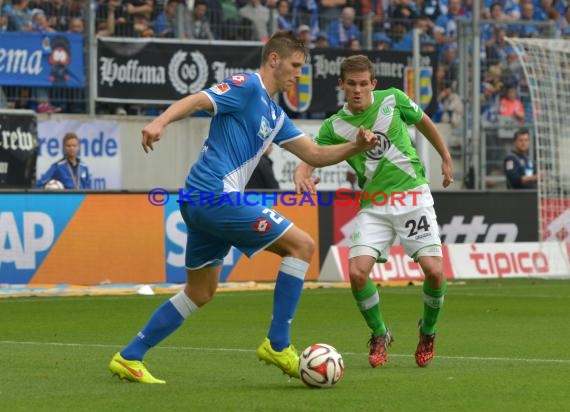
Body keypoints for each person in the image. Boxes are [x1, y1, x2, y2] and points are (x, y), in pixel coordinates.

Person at [108, 31, 378, 384]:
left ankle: (129, 356)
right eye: (295, 65)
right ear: (274, 60)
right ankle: (278, 344)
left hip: (202, 201)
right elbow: (198, 99)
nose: (299, 74)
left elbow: (313, 154)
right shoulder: (247, 86)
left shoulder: (276, 115)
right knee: (302, 245)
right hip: (214, 194)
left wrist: (356, 147)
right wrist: (160, 122)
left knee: (200, 292)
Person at [294, 55, 454, 369]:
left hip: (412, 197)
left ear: (373, 84)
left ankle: (428, 331)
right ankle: (380, 334)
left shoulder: (392, 99)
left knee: (435, 271)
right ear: (341, 85)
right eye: (351, 84)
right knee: (356, 273)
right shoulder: (334, 125)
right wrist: (302, 171)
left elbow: (424, 122)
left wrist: (445, 158)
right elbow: (312, 154)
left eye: (363, 84)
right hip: (374, 204)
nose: (358, 90)